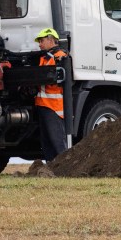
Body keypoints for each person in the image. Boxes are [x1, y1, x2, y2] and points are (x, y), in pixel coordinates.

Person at [34, 27, 68, 162]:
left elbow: (57, 79)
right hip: (43, 105)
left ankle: (64, 166)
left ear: (50, 39)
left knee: (56, 140)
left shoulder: (60, 56)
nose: (39, 44)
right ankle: (51, 166)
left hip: (53, 107)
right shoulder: (44, 57)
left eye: (41, 41)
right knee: (47, 141)